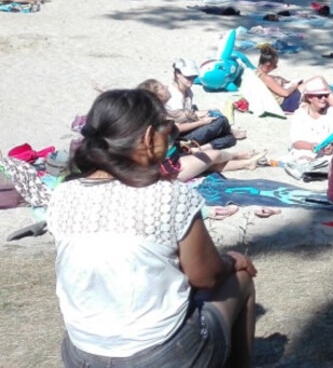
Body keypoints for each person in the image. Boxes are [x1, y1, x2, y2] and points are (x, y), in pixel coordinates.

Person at [48, 89, 256, 367]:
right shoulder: (168, 195)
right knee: (240, 280)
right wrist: (231, 261)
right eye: (168, 132)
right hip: (159, 356)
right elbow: (205, 277)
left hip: (82, 354)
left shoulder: (64, 194)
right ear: (148, 138)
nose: (171, 140)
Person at [138, 79, 263, 181]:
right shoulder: (156, 122)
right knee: (213, 155)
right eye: (162, 87)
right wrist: (202, 122)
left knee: (208, 157)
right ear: (157, 96)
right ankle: (242, 160)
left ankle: (243, 160)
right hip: (169, 171)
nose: (166, 86)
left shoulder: (155, 115)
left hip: (171, 158)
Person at [165, 59, 244, 150]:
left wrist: (207, 112)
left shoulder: (187, 90)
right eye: (188, 77)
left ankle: (219, 135)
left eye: (194, 77)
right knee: (222, 122)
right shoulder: (173, 99)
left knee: (228, 137)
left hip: (187, 124)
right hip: (178, 136)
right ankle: (196, 146)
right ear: (177, 74)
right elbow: (177, 128)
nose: (192, 79)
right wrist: (202, 122)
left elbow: (188, 112)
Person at [255, 46, 333, 116]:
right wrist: (294, 85)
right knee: (319, 80)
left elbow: (271, 82)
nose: (276, 67)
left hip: (286, 99)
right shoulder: (266, 78)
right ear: (268, 65)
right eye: (275, 65)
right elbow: (285, 93)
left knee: (318, 81)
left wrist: (278, 79)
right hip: (287, 102)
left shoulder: (257, 73)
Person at [288, 77, 333, 159]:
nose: (323, 99)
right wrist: (311, 146)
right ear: (309, 98)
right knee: (304, 159)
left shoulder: (331, 112)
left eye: (325, 95)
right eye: (319, 96)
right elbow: (296, 142)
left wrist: (332, 147)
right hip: (306, 151)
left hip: (328, 154)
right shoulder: (300, 114)